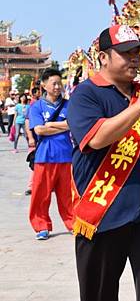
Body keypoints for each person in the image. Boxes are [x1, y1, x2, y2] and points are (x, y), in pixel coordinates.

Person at [68, 25, 140, 301]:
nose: (134, 58)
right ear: (103, 57)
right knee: (100, 292)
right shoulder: (86, 94)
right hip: (104, 210)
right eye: (125, 52)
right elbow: (96, 139)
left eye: (138, 52)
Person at [28, 69, 74, 240]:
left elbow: (73, 124)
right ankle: (41, 226)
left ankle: (73, 223)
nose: (57, 87)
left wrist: (51, 125)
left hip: (67, 156)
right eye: (54, 83)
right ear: (44, 85)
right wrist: (63, 125)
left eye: (59, 83)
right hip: (44, 157)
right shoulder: (36, 107)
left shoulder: (69, 105)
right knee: (41, 195)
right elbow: (39, 129)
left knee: (68, 195)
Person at [24, 84, 43, 196]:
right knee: (34, 163)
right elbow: (27, 121)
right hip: (35, 141)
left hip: (45, 140)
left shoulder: (45, 103)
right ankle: (31, 186)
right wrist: (31, 137)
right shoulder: (33, 105)